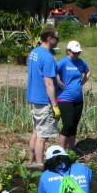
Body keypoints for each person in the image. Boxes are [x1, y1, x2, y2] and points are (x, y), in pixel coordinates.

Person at [27, 26, 61, 165]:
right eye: (57, 38)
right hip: (44, 100)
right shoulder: (48, 58)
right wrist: (55, 105)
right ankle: (39, 167)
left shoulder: (34, 52)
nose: (58, 41)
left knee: (36, 132)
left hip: (34, 98)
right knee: (43, 137)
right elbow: (48, 83)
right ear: (49, 38)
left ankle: (30, 163)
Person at [55, 40, 91, 156]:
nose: (77, 55)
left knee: (74, 124)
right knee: (68, 124)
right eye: (74, 53)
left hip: (78, 99)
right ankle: (62, 150)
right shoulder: (63, 62)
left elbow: (88, 71)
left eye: (78, 53)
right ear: (68, 51)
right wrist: (60, 83)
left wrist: (83, 81)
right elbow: (52, 73)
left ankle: (72, 148)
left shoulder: (81, 63)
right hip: (65, 99)